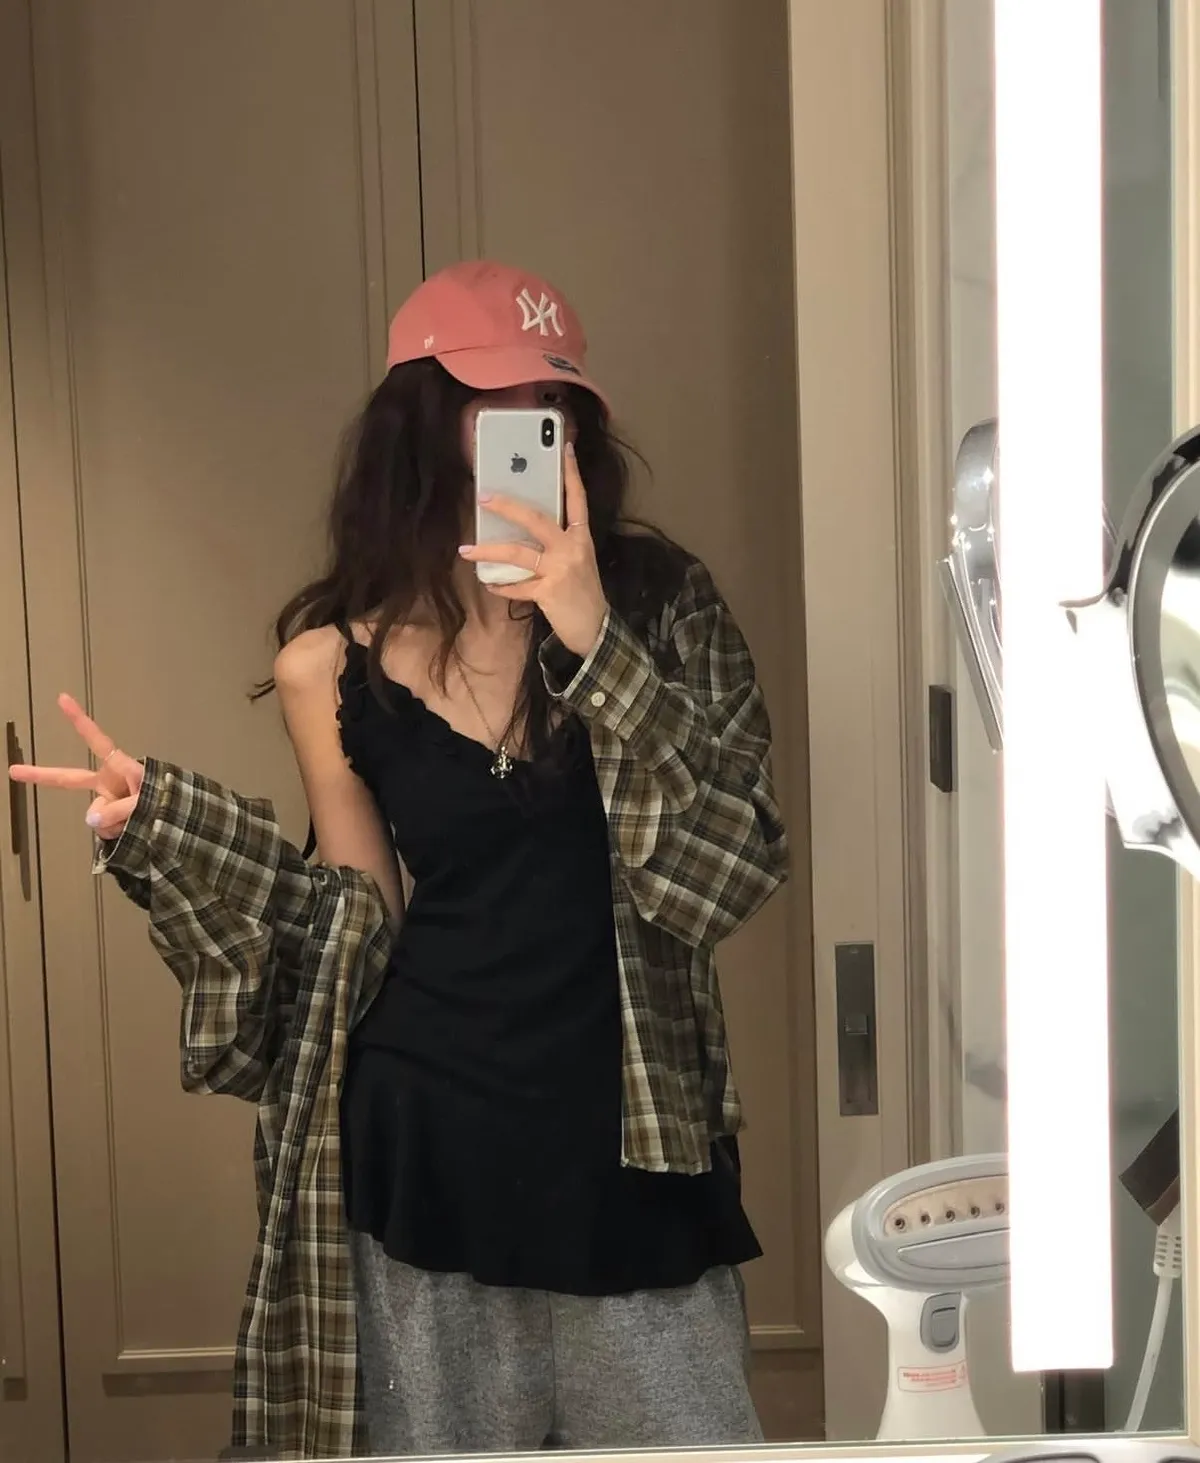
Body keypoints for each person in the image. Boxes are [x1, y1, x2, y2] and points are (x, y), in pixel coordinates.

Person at [11, 260, 789, 1459]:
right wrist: (166, 825)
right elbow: (352, 925)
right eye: (496, 397)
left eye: (553, 397)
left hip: (636, 1151)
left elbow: (730, 868)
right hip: (428, 1148)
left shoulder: (663, 605)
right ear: (421, 421)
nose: (535, 421)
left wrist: (592, 634)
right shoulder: (330, 664)